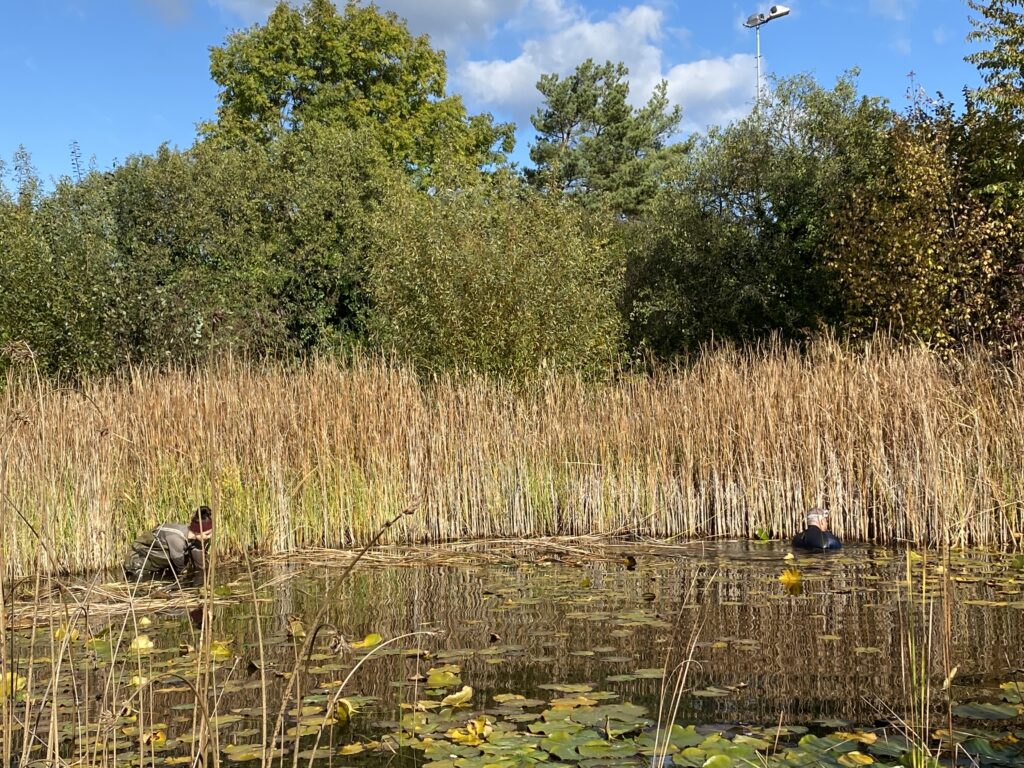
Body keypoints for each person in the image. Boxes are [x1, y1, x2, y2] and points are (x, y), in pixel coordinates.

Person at [123, 506, 213, 582]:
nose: (210, 536)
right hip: (138, 559)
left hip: (158, 560)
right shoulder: (177, 539)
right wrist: (185, 576)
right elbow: (180, 568)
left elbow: (200, 564)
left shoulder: (194, 538)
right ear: (197, 532)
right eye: (207, 534)